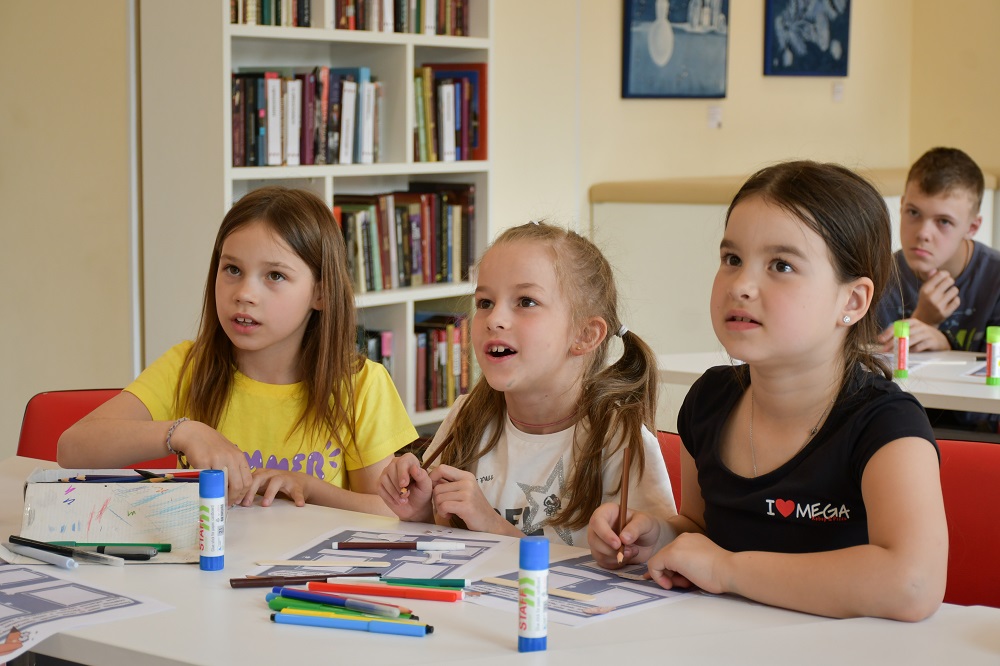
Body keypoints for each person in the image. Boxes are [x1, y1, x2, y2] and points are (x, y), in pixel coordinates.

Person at [588, 161, 947, 622]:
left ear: (852, 301)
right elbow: (701, 529)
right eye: (732, 259)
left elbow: (913, 584)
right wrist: (656, 537)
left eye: (782, 265)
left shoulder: (886, 424)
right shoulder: (708, 401)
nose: (741, 285)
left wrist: (728, 570)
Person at [58, 186, 417, 512]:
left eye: (275, 276)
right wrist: (183, 432)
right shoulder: (187, 366)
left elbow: (390, 513)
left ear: (321, 293)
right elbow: (72, 448)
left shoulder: (361, 385)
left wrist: (309, 487)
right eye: (232, 269)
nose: (244, 293)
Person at [377, 222, 676, 546]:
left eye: (526, 302)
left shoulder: (619, 438)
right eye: (485, 303)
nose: (494, 319)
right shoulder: (467, 414)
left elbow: (647, 563)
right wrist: (420, 512)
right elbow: (445, 540)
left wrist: (493, 526)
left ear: (585, 335)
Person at [876, 147, 1000, 432]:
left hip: (977, 437)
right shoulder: (880, 277)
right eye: (913, 212)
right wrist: (922, 321)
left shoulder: (995, 279)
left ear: (973, 227)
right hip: (895, 429)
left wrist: (946, 345)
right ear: (902, 205)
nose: (923, 233)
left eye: (943, 222)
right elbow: (871, 383)